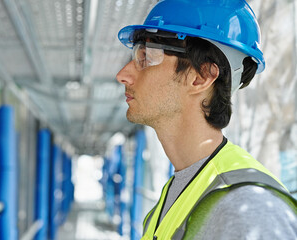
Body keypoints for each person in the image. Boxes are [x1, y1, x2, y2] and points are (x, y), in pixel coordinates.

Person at [116, 0, 297, 239]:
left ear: (201, 77)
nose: (123, 75)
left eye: (146, 57)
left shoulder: (247, 209)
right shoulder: (177, 192)